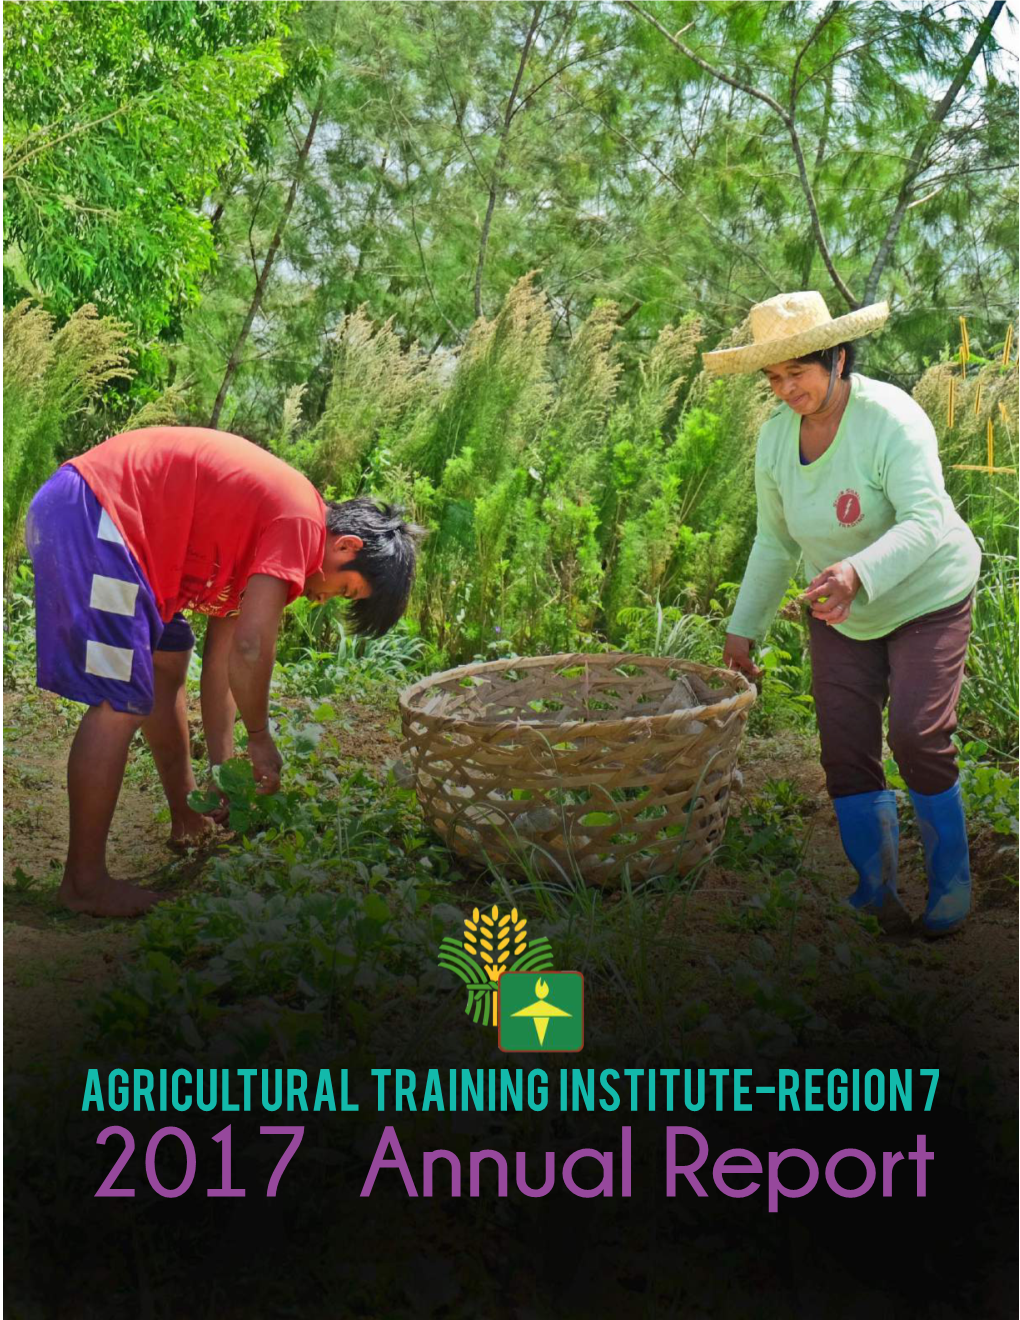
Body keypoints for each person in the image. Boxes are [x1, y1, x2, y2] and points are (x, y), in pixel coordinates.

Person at [25, 426, 422, 918]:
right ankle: (84, 883)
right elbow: (254, 649)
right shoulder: (300, 520)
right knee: (119, 700)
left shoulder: (277, 530)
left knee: (168, 661)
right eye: (345, 591)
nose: (325, 599)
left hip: (120, 535)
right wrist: (260, 736)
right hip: (98, 515)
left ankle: (188, 818)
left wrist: (225, 774)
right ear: (346, 547)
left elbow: (225, 660)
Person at [705, 292, 981, 937]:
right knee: (846, 746)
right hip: (838, 609)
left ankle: (952, 881)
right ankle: (876, 889)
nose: (784, 389)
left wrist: (860, 570)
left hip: (925, 596)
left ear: (838, 357)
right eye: (773, 378)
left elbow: (927, 519)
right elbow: (774, 541)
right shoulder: (775, 441)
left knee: (915, 734)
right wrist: (743, 625)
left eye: (796, 372)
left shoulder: (891, 418)